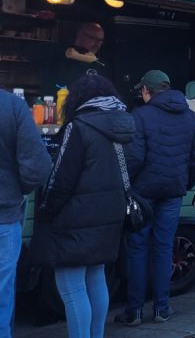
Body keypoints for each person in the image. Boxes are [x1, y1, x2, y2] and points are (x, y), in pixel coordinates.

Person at [26, 74, 129, 338]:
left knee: (72, 290)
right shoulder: (122, 123)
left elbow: (61, 178)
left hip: (75, 217)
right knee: (96, 279)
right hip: (109, 217)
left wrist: (47, 211)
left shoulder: (78, 126)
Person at [116, 70, 195, 326]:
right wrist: (184, 183)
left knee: (139, 248)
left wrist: (130, 185)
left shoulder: (140, 116)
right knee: (165, 248)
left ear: (147, 91)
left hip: (143, 192)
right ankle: (162, 308)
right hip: (172, 192)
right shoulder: (190, 117)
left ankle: (134, 311)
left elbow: (134, 157)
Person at [0, 88, 51, 337]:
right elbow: (39, 167)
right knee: (1, 295)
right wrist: (16, 189)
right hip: (4, 216)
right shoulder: (12, 107)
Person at [43, 23, 107, 93]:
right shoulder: (57, 54)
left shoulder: (100, 64)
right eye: (92, 38)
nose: (97, 44)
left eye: (100, 40)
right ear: (80, 35)